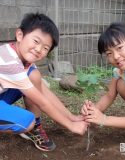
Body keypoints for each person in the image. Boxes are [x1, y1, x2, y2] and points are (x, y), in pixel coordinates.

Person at [0, 12, 89, 152]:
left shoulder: (24, 59)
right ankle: (32, 126)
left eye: (46, 48)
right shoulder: (9, 62)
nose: (38, 49)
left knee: (34, 76)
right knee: (27, 121)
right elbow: (42, 102)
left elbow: (44, 92)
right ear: (20, 35)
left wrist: (71, 117)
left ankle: (36, 128)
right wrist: (71, 126)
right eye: (36, 41)